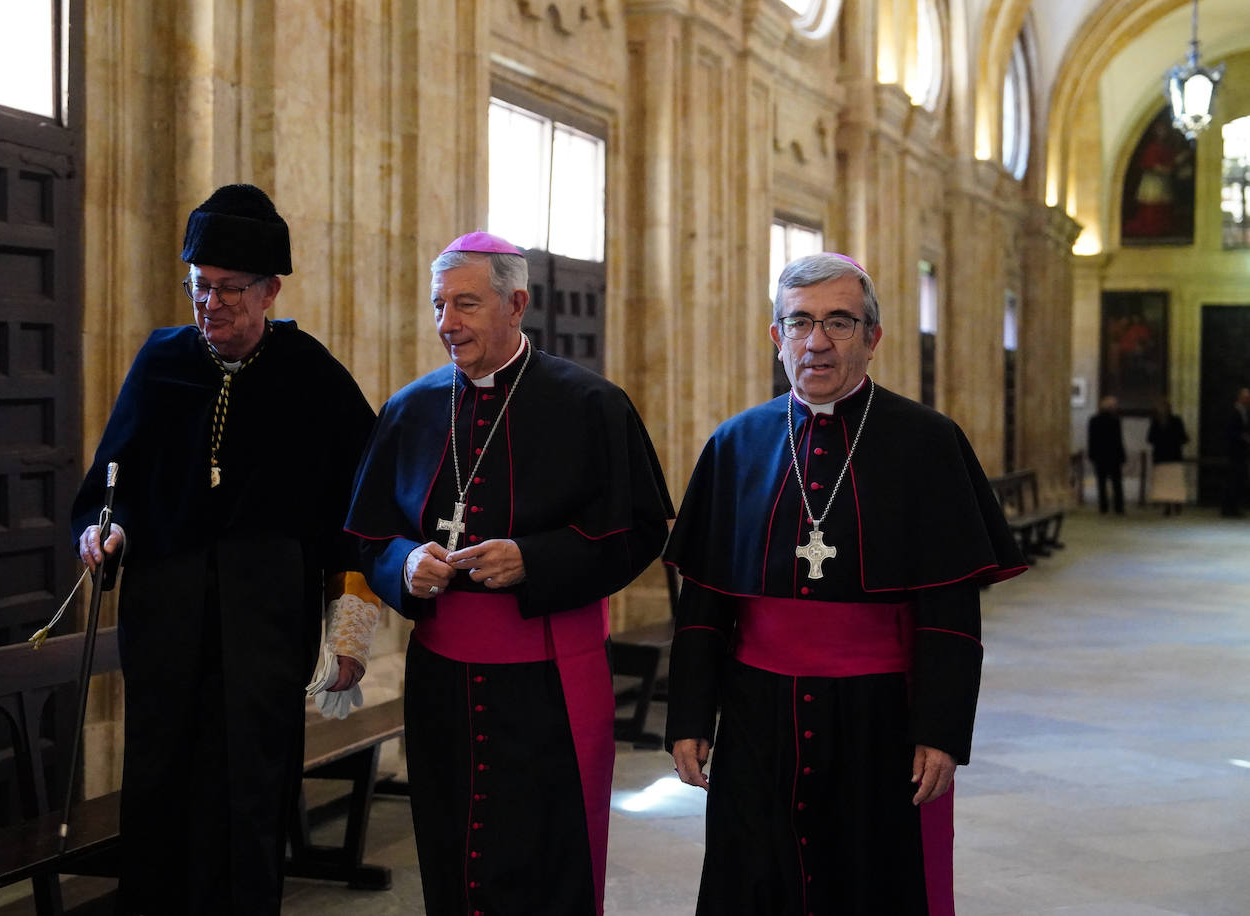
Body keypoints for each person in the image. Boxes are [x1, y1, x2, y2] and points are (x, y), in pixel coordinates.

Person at [664, 252, 1026, 915]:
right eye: (799, 322)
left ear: (873, 337)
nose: (818, 341)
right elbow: (706, 601)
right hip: (755, 716)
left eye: (839, 321)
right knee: (754, 881)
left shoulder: (927, 442)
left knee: (870, 885)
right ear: (778, 337)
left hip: (878, 716)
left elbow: (949, 607)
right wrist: (689, 715)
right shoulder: (736, 443)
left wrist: (941, 729)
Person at [70, 184, 379, 915]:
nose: (210, 306)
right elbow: (110, 481)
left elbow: (363, 511)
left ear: (271, 289)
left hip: (265, 627)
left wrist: (353, 631)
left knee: (249, 794)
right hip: (165, 619)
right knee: (157, 790)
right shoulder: (161, 359)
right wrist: (101, 530)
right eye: (199, 288)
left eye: (229, 291)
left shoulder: (312, 375)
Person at [345, 231, 672, 915]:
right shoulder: (412, 408)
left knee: (547, 852)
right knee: (449, 844)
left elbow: (640, 530)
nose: (447, 324)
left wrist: (538, 558)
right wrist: (404, 564)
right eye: (438, 306)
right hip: (442, 680)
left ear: (516, 303)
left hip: (548, 675)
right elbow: (370, 535)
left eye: (465, 305)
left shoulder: (590, 405)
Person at [1146, 398, 1189, 516]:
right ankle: (1167, 505)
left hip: (1173, 456)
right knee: (1164, 483)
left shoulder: (1176, 420)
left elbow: (1184, 437)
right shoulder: (1155, 422)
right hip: (1161, 457)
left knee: (1174, 482)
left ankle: (1176, 503)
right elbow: (1150, 438)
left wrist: (1172, 439)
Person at [1087, 395, 1127, 514]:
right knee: (1116, 483)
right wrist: (1122, 455)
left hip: (1099, 455)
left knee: (1101, 482)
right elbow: (1118, 440)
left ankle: (1103, 507)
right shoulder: (1115, 420)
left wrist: (1091, 454)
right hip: (1113, 455)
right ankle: (1118, 507)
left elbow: (1091, 439)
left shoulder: (1094, 420)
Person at [1223, 387, 1250, 517]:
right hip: (1235, 451)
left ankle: (1234, 507)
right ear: (1240, 398)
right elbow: (1230, 431)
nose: (1248, 400)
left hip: (1242, 452)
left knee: (1239, 480)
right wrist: (1243, 437)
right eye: (1246, 397)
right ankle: (1229, 508)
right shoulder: (1234, 412)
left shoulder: (1244, 411)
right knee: (1233, 480)